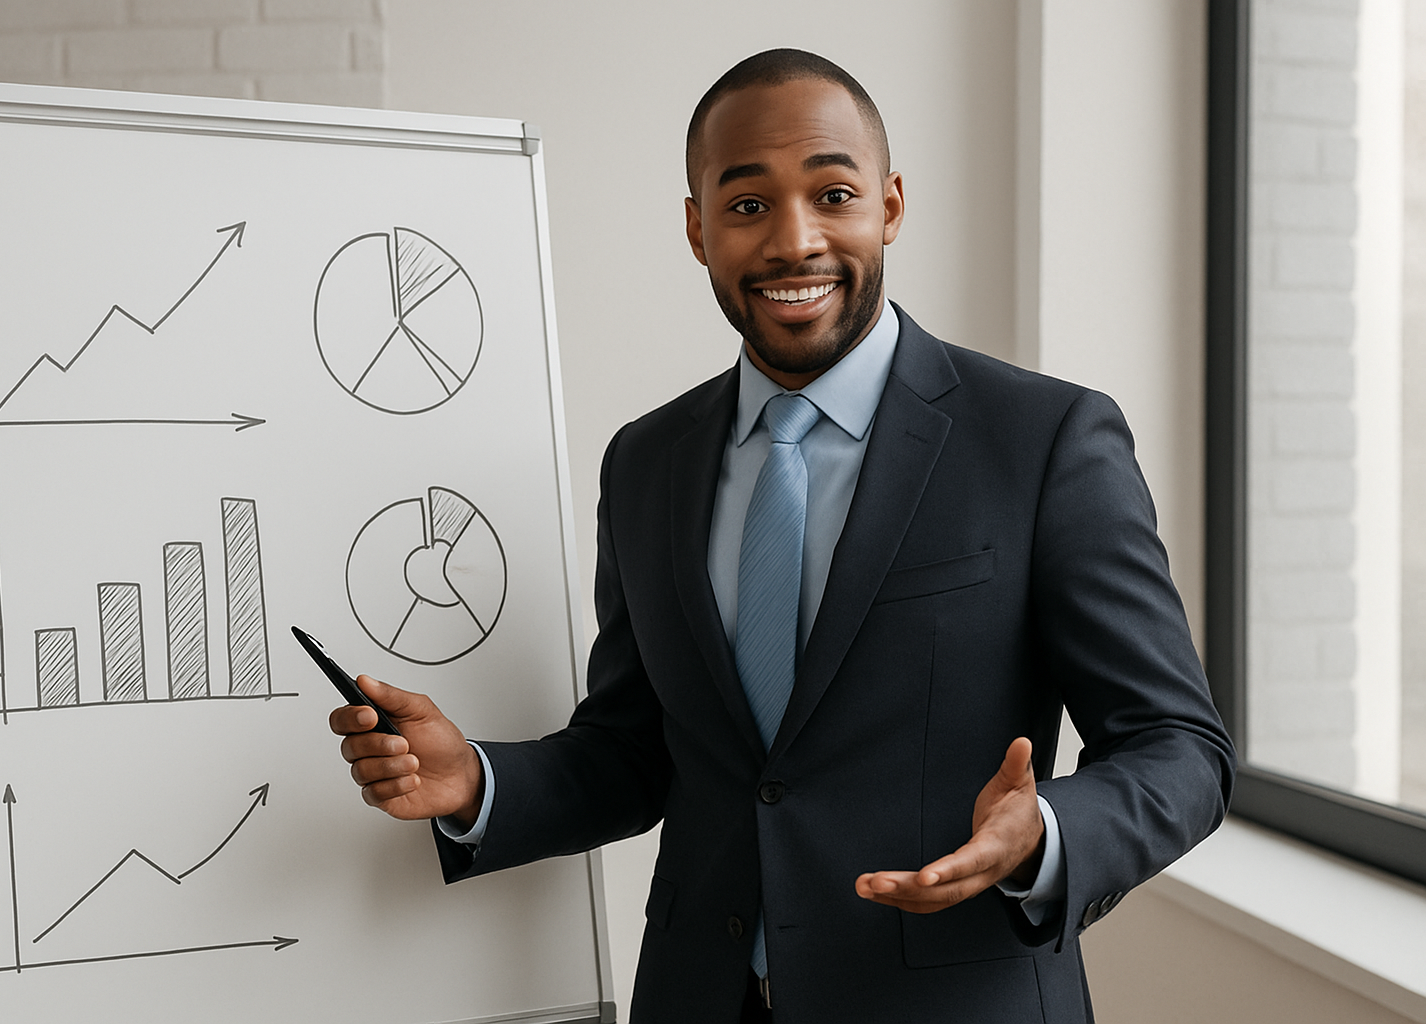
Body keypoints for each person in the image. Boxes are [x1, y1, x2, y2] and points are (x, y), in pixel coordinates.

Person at [331, 48, 1235, 1024]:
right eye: (748, 204)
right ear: (698, 227)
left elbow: (1179, 747)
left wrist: (1050, 830)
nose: (794, 242)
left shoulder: (1044, 440)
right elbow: (638, 752)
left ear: (889, 206)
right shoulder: (646, 462)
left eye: (833, 193)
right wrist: (477, 778)